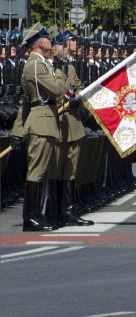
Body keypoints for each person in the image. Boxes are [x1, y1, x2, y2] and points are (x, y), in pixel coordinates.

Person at [11, 23, 67, 231]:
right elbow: (57, 90)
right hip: (41, 122)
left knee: (40, 171)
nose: (51, 42)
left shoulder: (40, 64)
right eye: (48, 39)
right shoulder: (37, 65)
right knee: (36, 172)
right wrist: (59, 73)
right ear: (40, 42)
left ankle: (37, 215)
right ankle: (30, 216)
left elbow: (24, 104)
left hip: (45, 120)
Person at [49, 33, 94, 227]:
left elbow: (76, 88)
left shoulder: (70, 66)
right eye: (60, 45)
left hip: (73, 124)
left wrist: (80, 99)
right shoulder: (49, 67)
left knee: (70, 170)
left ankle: (68, 211)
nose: (63, 48)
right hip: (57, 123)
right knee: (54, 169)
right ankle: (53, 211)